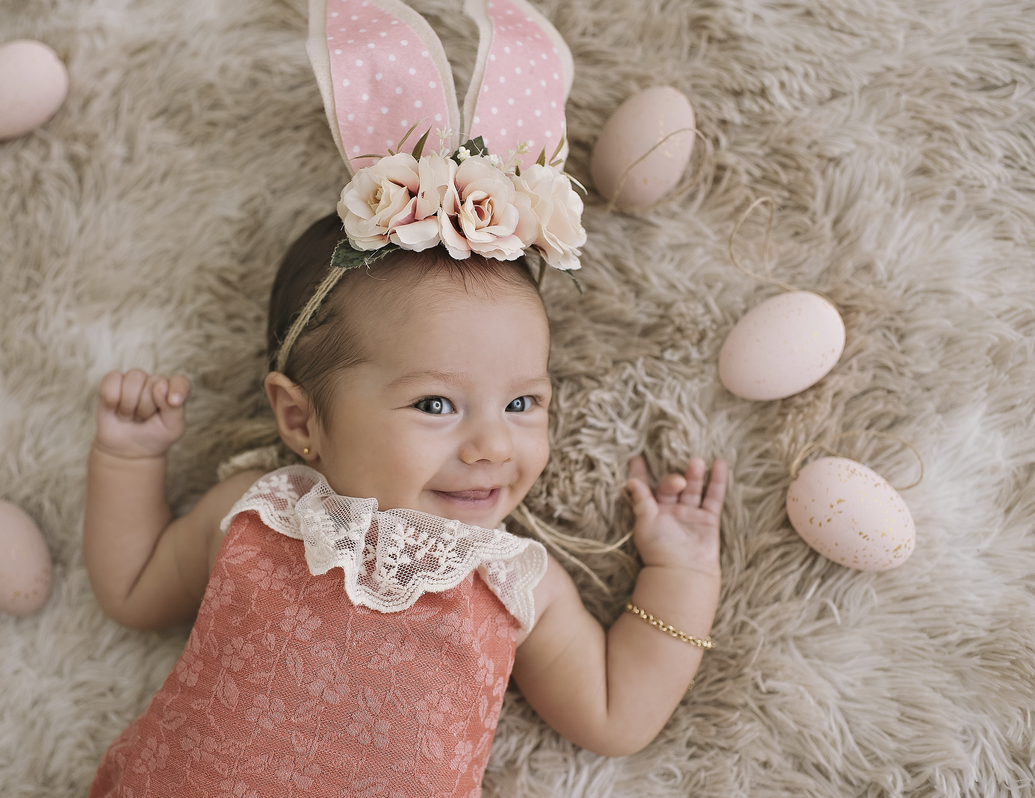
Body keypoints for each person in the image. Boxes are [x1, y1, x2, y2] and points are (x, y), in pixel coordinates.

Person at [84, 211, 727, 797]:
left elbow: (615, 713)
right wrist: (129, 460)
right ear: (300, 419)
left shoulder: (509, 578)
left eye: (521, 404)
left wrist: (681, 572)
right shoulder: (266, 512)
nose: (493, 445)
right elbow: (135, 590)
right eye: (435, 405)